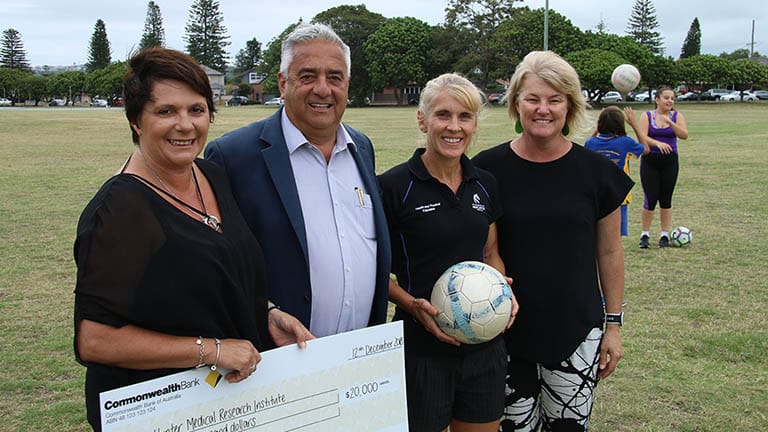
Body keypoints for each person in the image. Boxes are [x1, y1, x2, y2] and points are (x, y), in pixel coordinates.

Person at [73, 47, 312, 431]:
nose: (185, 125)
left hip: (224, 403)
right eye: (166, 111)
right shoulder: (122, 211)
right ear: (137, 120)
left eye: (196, 110)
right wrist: (213, 350)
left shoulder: (211, 175)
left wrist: (265, 313)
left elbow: (213, 276)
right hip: (159, 410)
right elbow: (95, 340)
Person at [472, 51, 632, 432]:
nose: (543, 109)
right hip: (504, 335)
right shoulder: (485, 170)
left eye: (554, 100)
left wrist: (613, 326)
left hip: (575, 333)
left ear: (570, 106)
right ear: (516, 104)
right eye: (532, 98)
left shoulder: (598, 174)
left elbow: (609, 252)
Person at [204, 23, 391, 337]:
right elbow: (214, 266)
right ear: (282, 82)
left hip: (359, 359)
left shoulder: (362, 147)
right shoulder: (233, 157)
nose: (322, 89)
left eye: (334, 77)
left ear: (347, 84)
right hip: (280, 363)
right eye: (307, 76)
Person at [378, 73, 519, 432]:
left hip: (485, 347)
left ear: (474, 124)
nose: (453, 127)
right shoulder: (394, 187)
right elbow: (374, 273)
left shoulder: (484, 183)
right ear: (423, 119)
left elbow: (491, 253)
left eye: (464, 117)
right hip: (422, 349)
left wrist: (502, 290)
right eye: (443, 115)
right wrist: (412, 305)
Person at [585, 106, 649, 237]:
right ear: (620, 124)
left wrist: (597, 129)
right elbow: (646, 149)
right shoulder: (625, 142)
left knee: (596, 232)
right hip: (619, 195)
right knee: (615, 236)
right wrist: (634, 124)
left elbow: (586, 147)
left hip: (596, 194)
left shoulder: (591, 143)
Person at [636, 86, 688, 249]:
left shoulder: (677, 116)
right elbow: (642, 136)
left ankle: (664, 235)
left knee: (666, 198)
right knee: (650, 198)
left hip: (670, 161)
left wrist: (670, 122)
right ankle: (645, 234)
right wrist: (657, 143)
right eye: (666, 97)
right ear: (657, 99)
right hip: (650, 161)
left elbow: (684, 135)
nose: (670, 101)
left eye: (672, 98)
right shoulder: (647, 116)